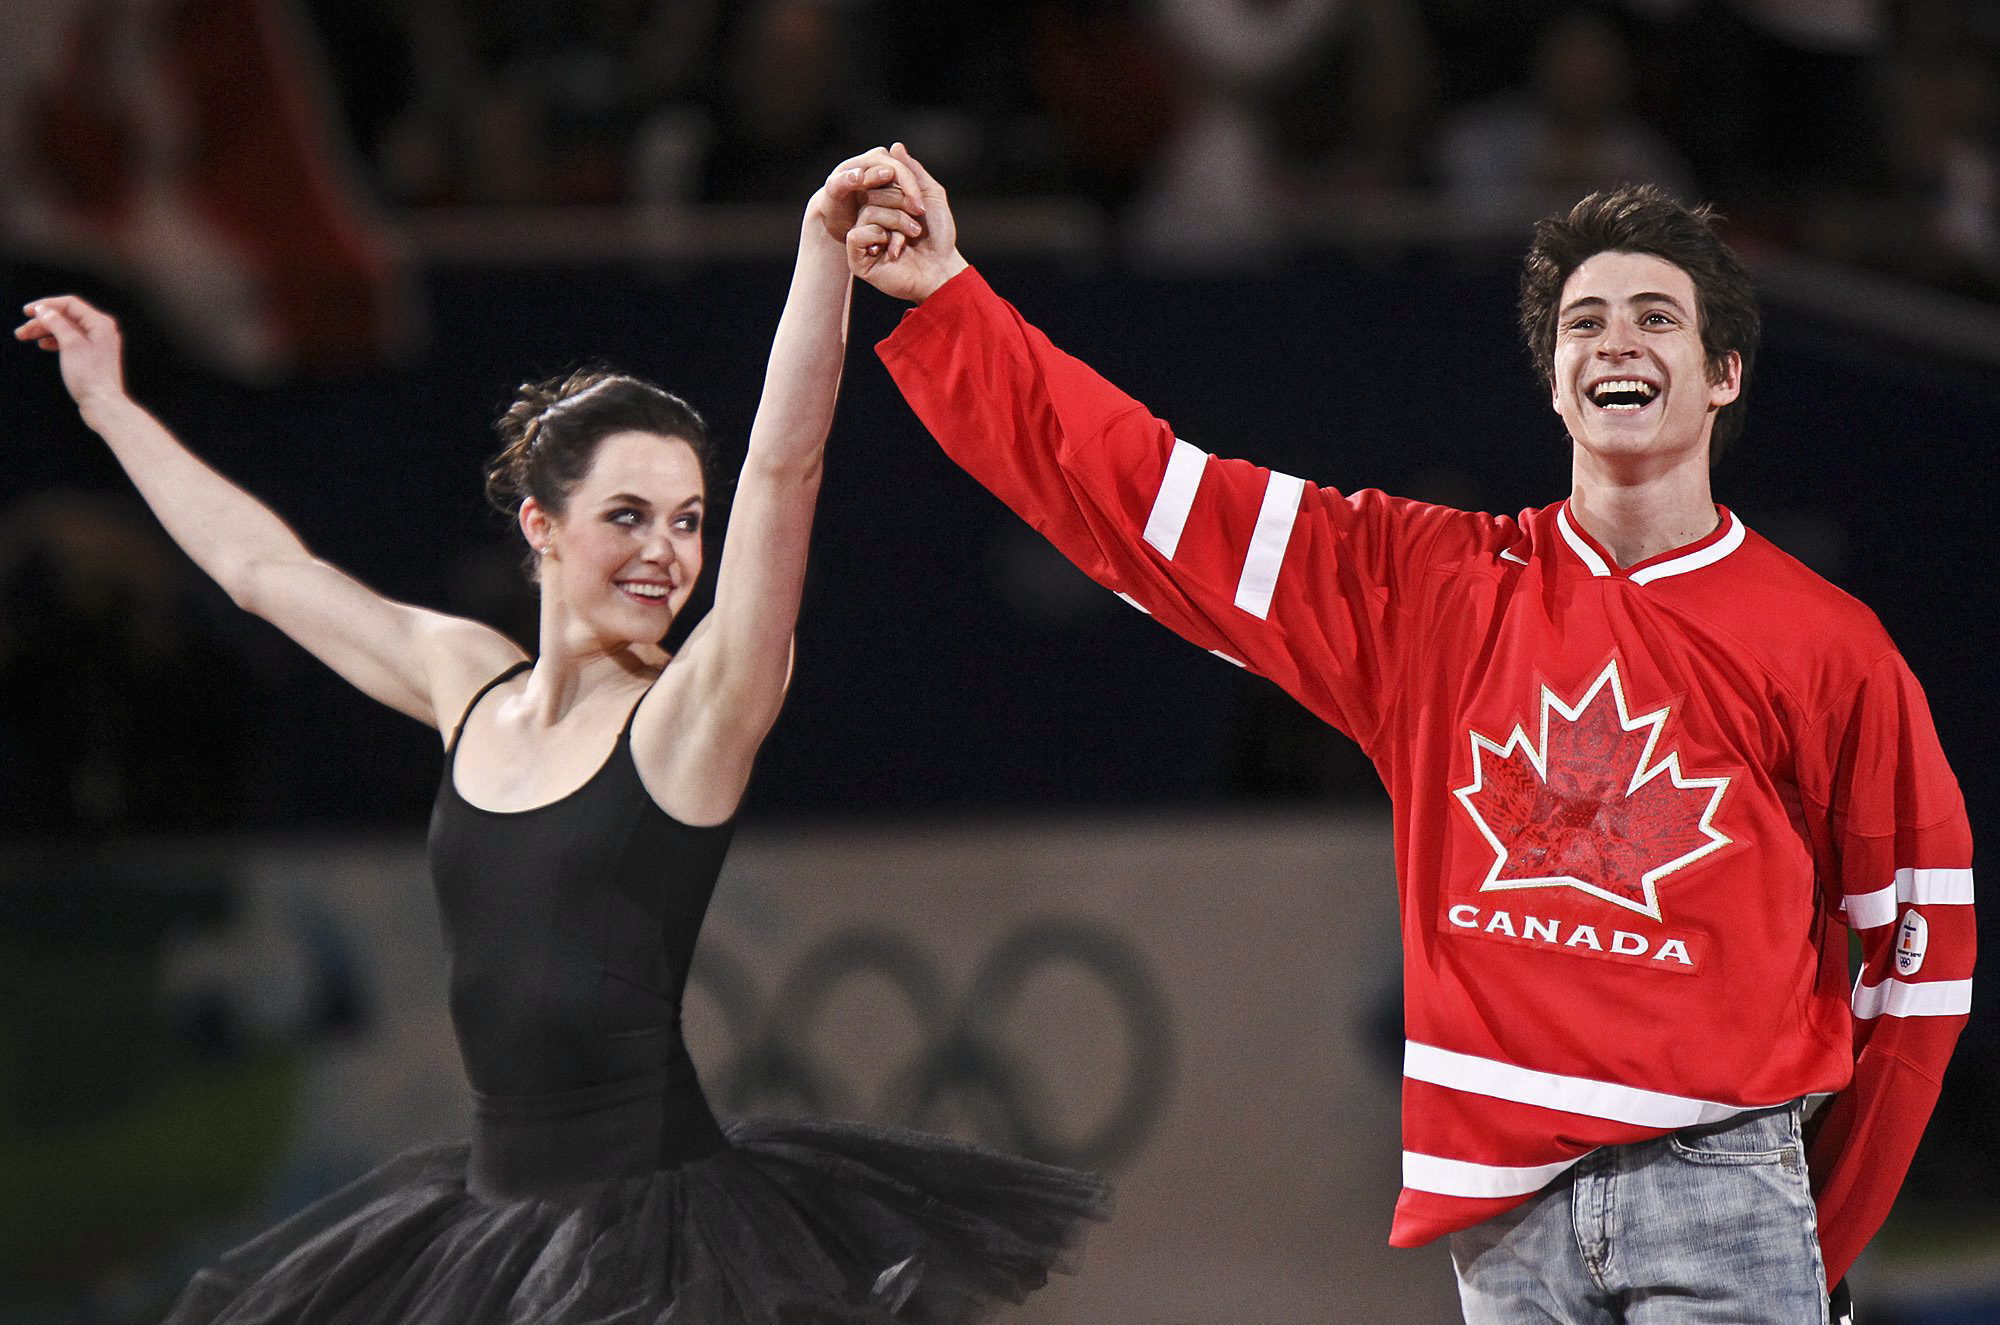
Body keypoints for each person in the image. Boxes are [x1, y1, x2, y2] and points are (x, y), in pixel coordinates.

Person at [844, 146, 1973, 1322]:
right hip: (1501, 1228)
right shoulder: (1427, 589)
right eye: (1583, 321)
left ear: (1721, 374)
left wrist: (1814, 1228)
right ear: (1551, 379)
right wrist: (948, 298)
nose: (1616, 341)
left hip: (1724, 1196)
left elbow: (1921, 965)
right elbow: (1146, 497)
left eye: (1655, 317)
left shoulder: (1829, 645)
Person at [16, 147, 1109, 1322]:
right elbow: (258, 568)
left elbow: (785, 466)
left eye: (687, 521)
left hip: (660, 1243)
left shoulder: (696, 714)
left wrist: (817, 258)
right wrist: (110, 408)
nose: (666, 551)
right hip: (486, 1231)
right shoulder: (466, 684)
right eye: (627, 517)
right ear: (540, 526)